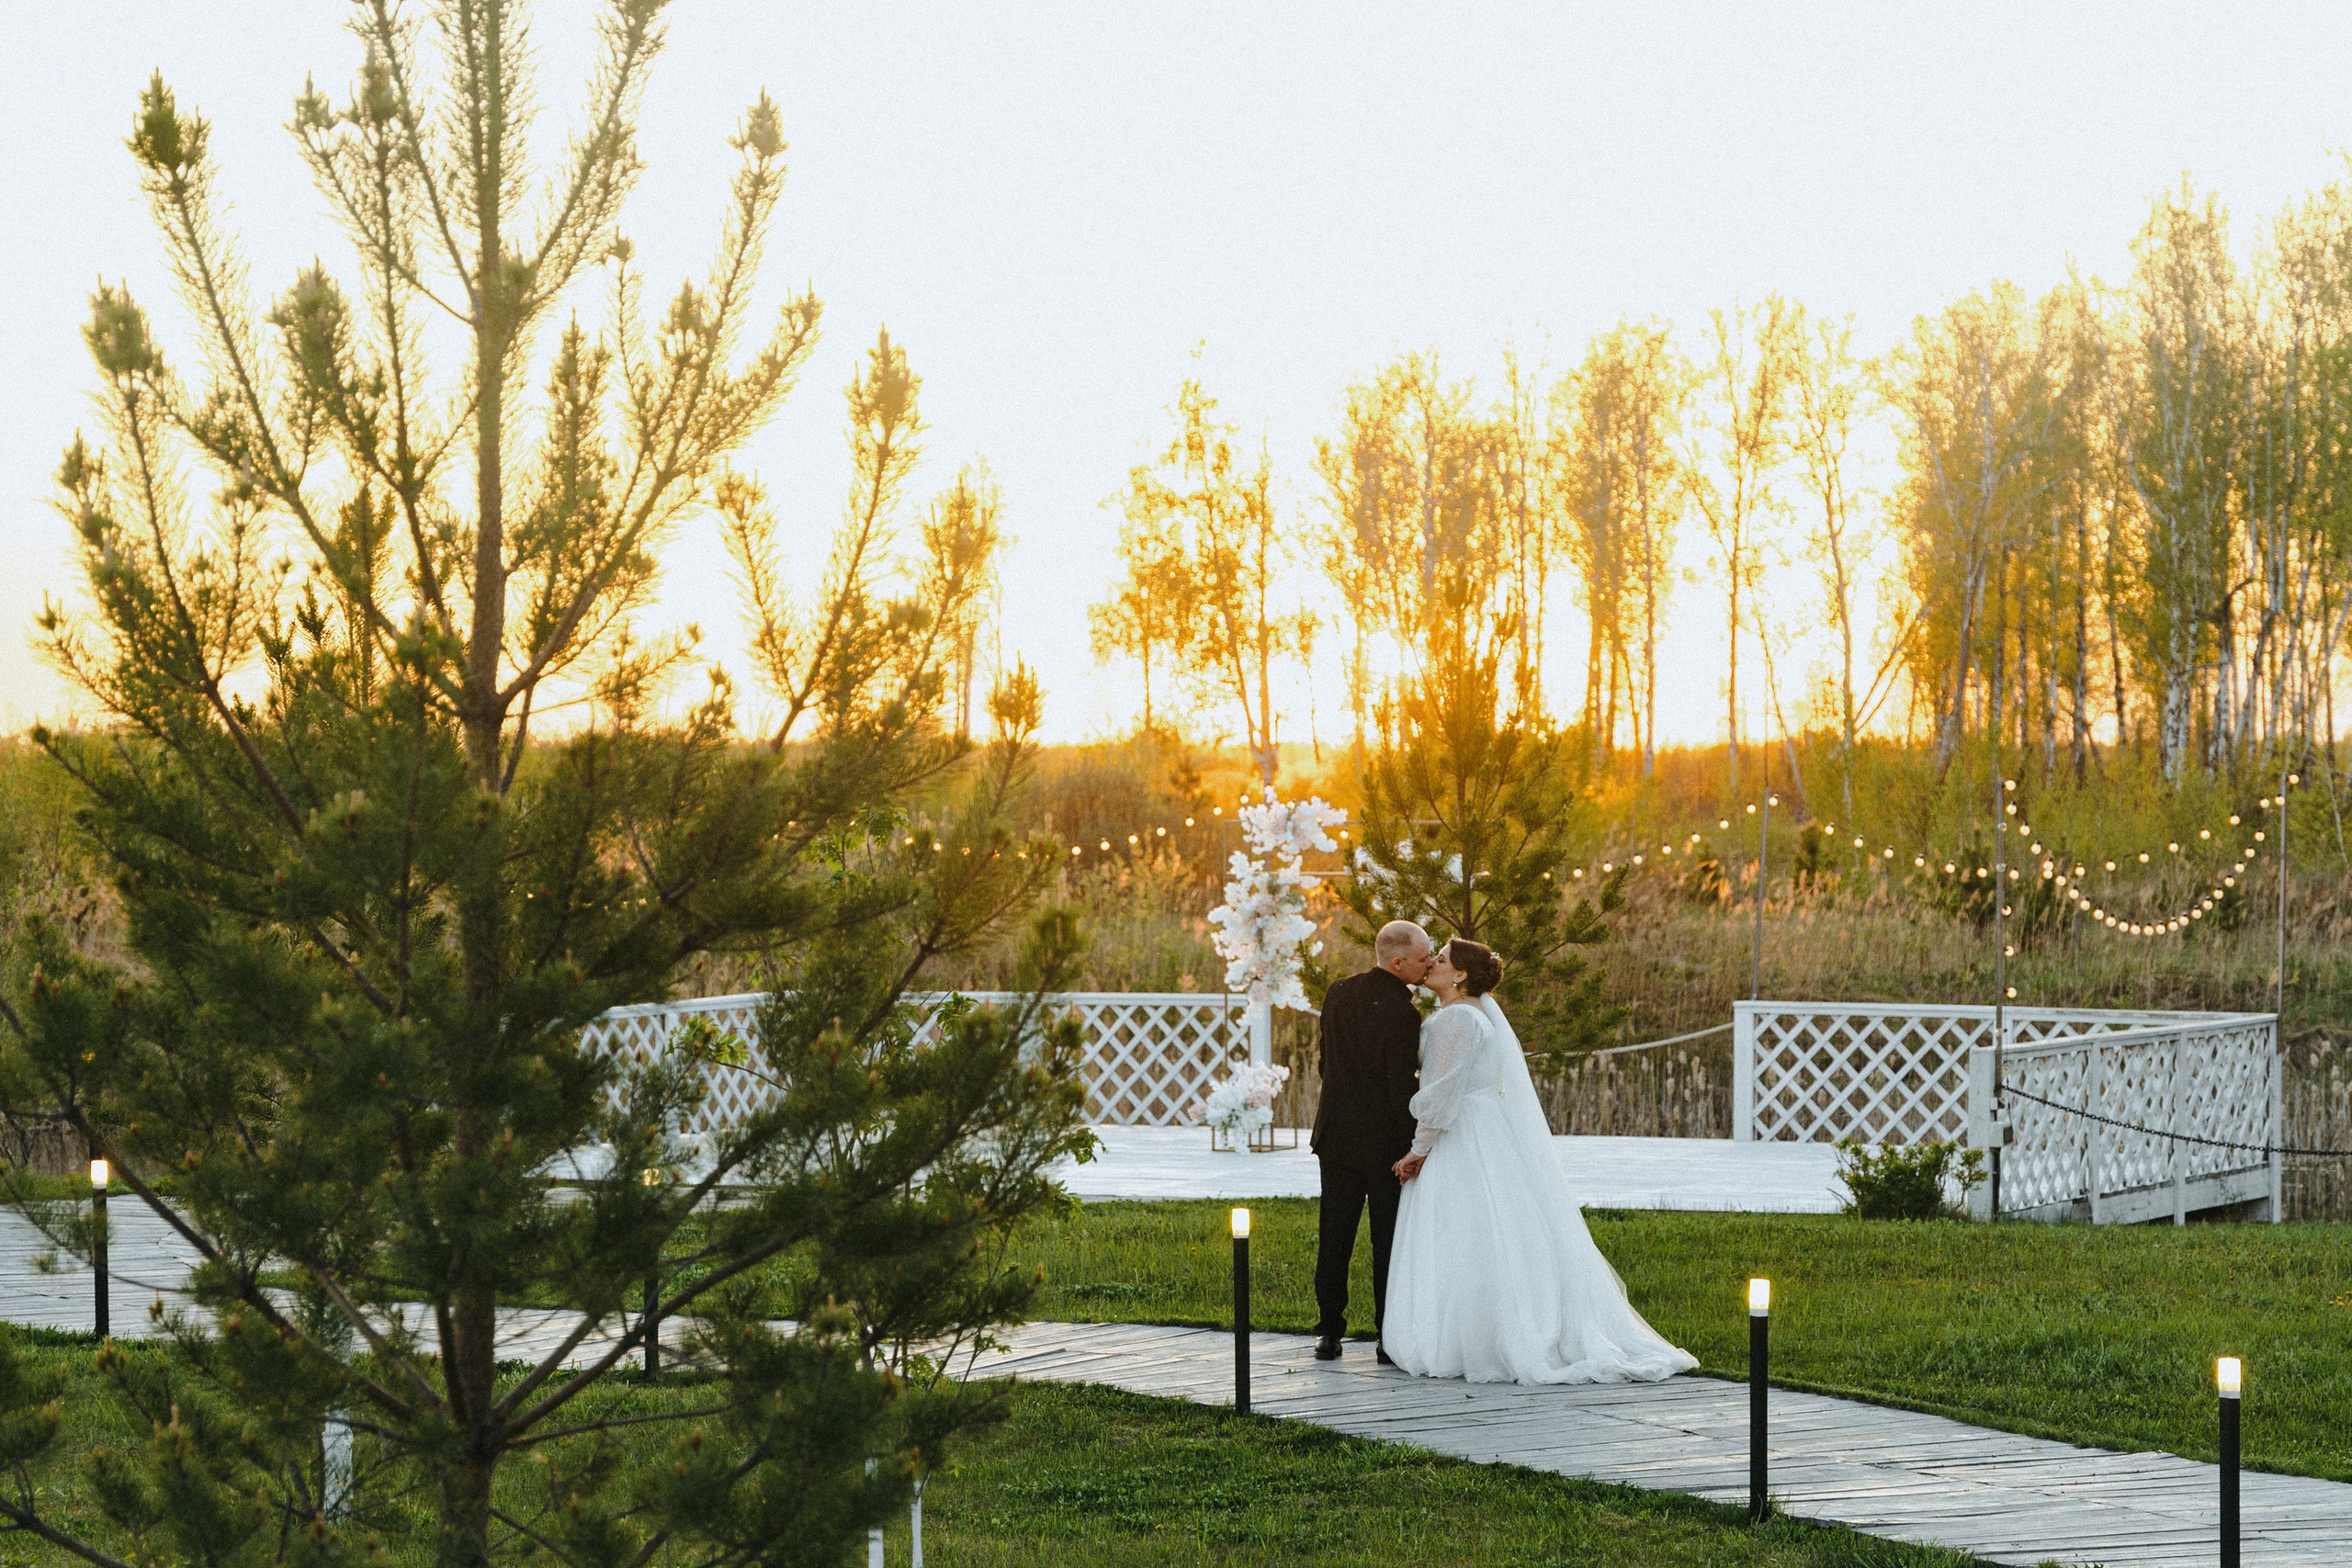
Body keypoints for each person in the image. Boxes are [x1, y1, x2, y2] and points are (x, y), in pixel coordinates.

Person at [1383, 937, 1698, 1385]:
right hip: (1486, 1130)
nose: (1433, 962)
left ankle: (1473, 1338)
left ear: (1460, 975)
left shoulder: (1455, 1019)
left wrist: (1419, 1149)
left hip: (1462, 1134)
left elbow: (1442, 1092)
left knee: (1462, 1230)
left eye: (1443, 959)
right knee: (1495, 1230)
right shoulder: (1472, 1014)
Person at [1307, 919, 1433, 1363]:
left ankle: (1328, 1332)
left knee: (1334, 1236)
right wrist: (1414, 1144)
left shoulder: (1338, 991)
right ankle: (1386, 1337)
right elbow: (1400, 1087)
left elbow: (1325, 1062)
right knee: (1388, 1242)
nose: (1429, 963)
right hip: (1385, 1144)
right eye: (1422, 958)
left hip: (1336, 1136)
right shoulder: (1403, 1012)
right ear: (1397, 962)